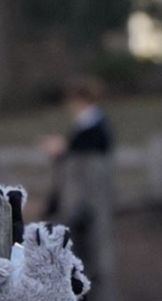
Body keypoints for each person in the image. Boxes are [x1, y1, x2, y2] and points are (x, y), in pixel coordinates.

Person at [39, 76, 113, 220]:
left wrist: (62, 148)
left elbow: (86, 147)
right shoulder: (88, 121)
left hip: (87, 180)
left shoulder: (92, 121)